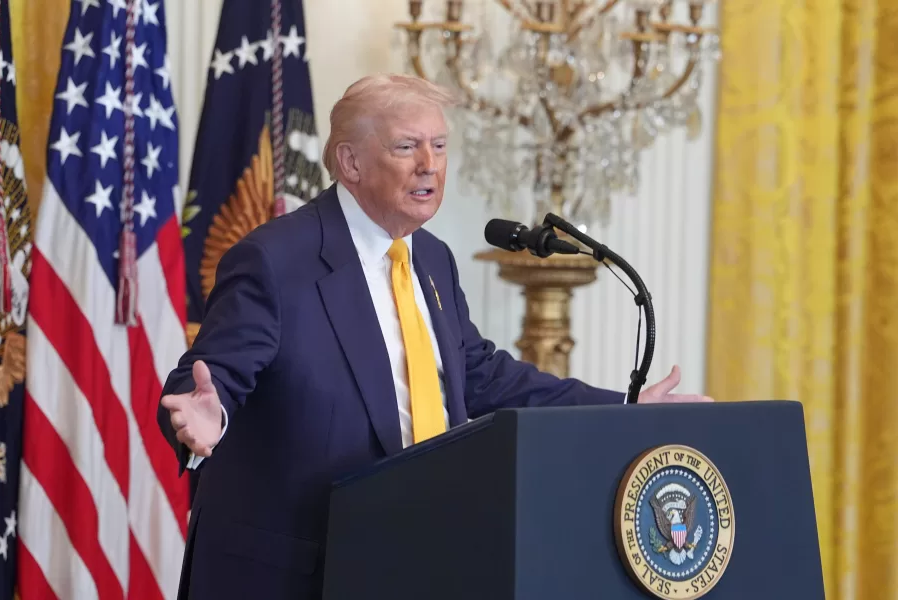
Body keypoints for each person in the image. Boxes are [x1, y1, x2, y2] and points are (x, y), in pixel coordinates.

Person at [157, 73, 712, 600]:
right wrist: (206, 417)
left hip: (406, 555)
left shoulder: (432, 260)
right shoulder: (275, 260)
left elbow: (479, 374)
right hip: (296, 572)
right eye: (407, 147)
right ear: (350, 161)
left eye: (440, 146)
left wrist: (623, 406)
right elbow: (206, 378)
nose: (430, 166)